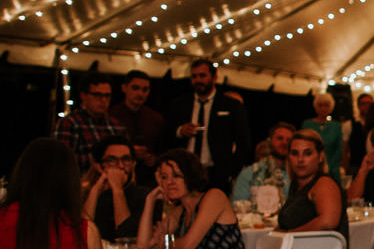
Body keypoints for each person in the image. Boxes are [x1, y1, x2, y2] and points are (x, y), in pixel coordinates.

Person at [274, 128, 349, 249]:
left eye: (307, 153)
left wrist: (290, 234)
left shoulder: (324, 183)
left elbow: (328, 222)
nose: (300, 160)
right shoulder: (296, 186)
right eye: (295, 153)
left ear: (320, 156)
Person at [167, 59, 252, 193]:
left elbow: (243, 141)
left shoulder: (230, 105)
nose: (198, 80)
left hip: (216, 173)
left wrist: (231, 171)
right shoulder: (180, 104)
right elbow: (166, 133)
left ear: (214, 77)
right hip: (184, 172)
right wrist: (180, 131)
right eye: (194, 76)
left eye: (202, 76)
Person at [82, 136, 150, 241]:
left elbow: (126, 235)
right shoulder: (85, 193)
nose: (120, 165)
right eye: (112, 160)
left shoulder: (145, 195)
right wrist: (95, 191)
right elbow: (82, 233)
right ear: (98, 166)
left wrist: (117, 190)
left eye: (126, 159)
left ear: (133, 164)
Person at [54, 72, 125, 171]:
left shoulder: (117, 126)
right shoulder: (70, 123)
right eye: (97, 95)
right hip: (82, 183)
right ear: (83, 95)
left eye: (107, 96)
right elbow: (61, 162)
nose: (103, 100)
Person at [110, 70, 166, 173]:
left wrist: (155, 159)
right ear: (124, 88)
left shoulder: (155, 118)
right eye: (135, 88)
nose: (140, 93)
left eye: (145, 89)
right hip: (118, 171)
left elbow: (162, 149)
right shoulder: (111, 116)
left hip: (149, 174)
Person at [231, 122, 294, 203]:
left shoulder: (297, 175)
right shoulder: (250, 173)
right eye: (280, 138)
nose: (284, 143)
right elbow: (238, 204)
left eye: (289, 140)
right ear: (270, 141)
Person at [302, 90, 346, 178]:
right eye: (320, 105)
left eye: (326, 105)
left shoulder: (336, 126)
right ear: (315, 106)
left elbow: (338, 150)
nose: (323, 108)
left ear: (331, 107)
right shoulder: (307, 124)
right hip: (310, 168)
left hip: (332, 169)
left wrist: (330, 168)